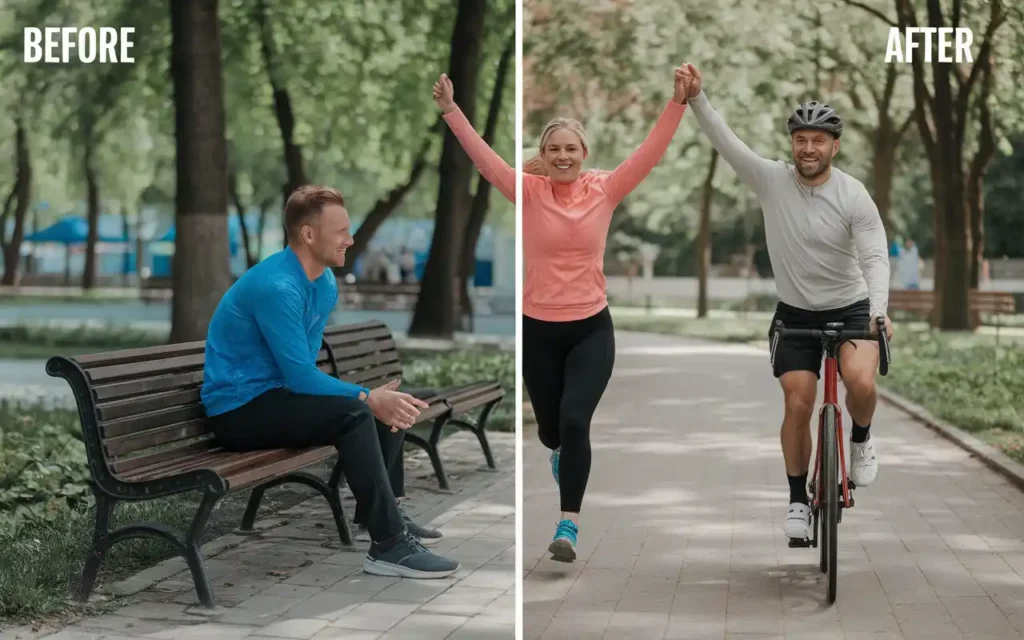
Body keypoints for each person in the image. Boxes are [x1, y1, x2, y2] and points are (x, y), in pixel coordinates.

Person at [433, 66, 689, 562]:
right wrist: (451, 111)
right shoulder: (526, 192)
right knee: (552, 432)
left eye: (572, 149)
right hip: (539, 331)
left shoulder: (605, 190)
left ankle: (568, 524)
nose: (564, 156)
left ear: (584, 154)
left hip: (592, 328)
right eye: (555, 150)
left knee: (575, 422)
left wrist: (676, 102)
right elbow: (485, 161)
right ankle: (561, 456)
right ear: (544, 158)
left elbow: (650, 152)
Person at [679, 64, 894, 542]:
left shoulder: (853, 195)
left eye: (819, 140)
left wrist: (878, 310)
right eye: (801, 139)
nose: (809, 148)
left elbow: (875, 256)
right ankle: (798, 500)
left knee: (860, 382)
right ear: (792, 144)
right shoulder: (771, 180)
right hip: (795, 312)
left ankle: (860, 440)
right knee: (798, 402)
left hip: (852, 306)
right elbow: (726, 141)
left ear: (834, 147)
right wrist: (697, 98)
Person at [200, 184, 457, 578]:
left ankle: (388, 518)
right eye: (340, 232)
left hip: (275, 397)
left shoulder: (323, 283)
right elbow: (302, 377)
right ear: (308, 234)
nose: (350, 240)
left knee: (391, 403)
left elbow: (302, 372)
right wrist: (366, 397)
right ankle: (389, 546)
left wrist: (373, 398)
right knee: (359, 411)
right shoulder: (277, 286)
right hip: (236, 411)